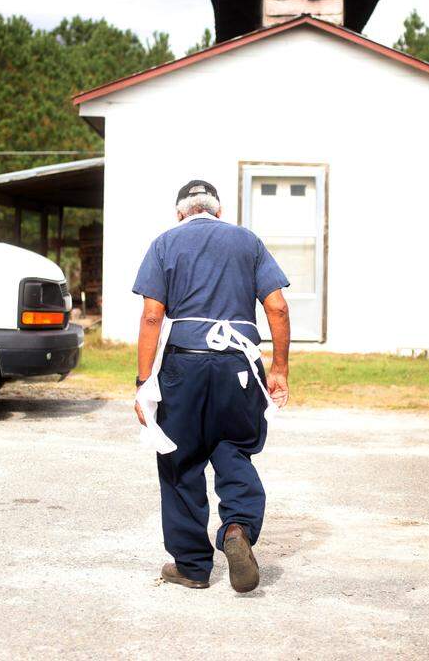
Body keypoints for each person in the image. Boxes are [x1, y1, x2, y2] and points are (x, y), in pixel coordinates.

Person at [132, 179, 291, 593]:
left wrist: (143, 382)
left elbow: (152, 316)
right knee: (233, 449)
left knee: (180, 461)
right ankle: (237, 528)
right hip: (238, 365)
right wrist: (280, 368)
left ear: (180, 212)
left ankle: (192, 566)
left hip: (183, 365)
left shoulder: (166, 243)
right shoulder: (247, 242)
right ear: (218, 212)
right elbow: (276, 305)